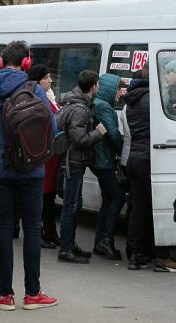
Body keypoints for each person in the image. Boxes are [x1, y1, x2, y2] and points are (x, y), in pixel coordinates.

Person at [0, 40, 58, 310]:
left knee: (5, 228)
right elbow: (51, 129)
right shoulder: (34, 89)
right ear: (26, 62)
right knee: (32, 228)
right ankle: (33, 294)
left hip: (0, 170)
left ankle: (4, 295)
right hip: (32, 171)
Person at [122, 68, 176, 272]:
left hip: (134, 158)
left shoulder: (131, 101)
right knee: (160, 208)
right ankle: (162, 257)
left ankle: (135, 255)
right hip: (152, 159)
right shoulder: (153, 100)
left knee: (138, 209)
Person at [57, 70, 107, 264]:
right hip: (74, 161)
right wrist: (98, 133)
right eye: (98, 85)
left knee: (74, 203)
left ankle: (69, 244)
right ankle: (66, 249)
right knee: (71, 205)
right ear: (94, 86)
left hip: (73, 160)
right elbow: (79, 139)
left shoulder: (75, 102)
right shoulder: (81, 109)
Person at [91, 73, 126, 260]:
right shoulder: (104, 107)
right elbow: (112, 134)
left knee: (108, 198)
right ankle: (105, 239)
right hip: (103, 159)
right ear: (111, 90)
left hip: (100, 158)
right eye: (119, 90)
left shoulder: (101, 104)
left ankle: (100, 241)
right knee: (118, 197)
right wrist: (123, 151)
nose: (121, 94)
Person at [27, 64, 61, 249]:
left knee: (49, 197)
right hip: (42, 154)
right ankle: (38, 232)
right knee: (40, 196)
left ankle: (50, 231)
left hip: (52, 155)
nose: (51, 80)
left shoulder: (50, 97)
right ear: (38, 81)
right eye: (47, 77)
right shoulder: (36, 98)